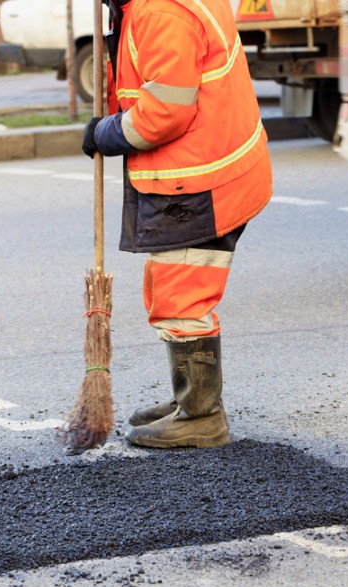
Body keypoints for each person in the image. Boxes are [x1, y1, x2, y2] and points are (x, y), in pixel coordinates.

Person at [81, 0, 272, 449]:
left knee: (182, 297)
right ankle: (189, 399)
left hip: (204, 179)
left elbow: (165, 112)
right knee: (171, 285)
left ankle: (202, 416)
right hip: (205, 169)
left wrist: (104, 133)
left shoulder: (162, 12)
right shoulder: (144, 7)